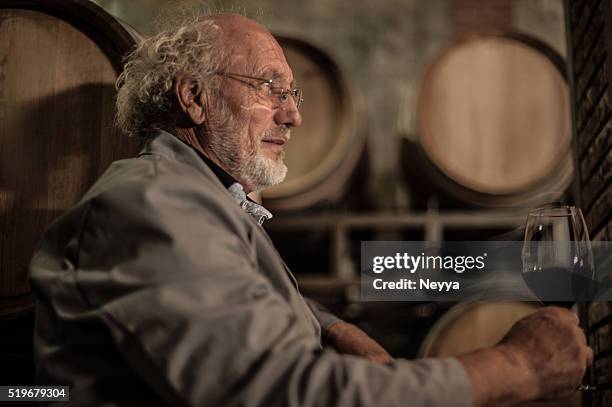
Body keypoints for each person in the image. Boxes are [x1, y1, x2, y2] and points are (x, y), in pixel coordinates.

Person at [30, 13, 592, 407]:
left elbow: (234, 295)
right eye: (270, 88)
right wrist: (516, 369)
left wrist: (332, 325)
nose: (293, 116)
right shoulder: (150, 205)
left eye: (293, 94)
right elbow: (278, 393)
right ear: (194, 98)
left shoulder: (205, 200)